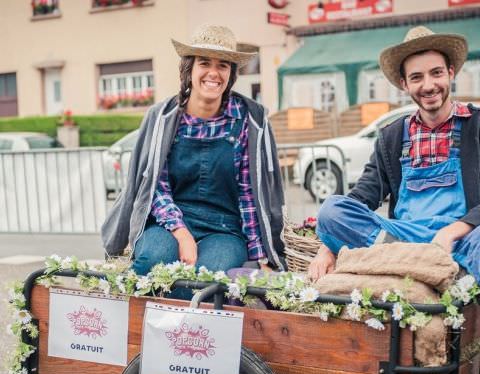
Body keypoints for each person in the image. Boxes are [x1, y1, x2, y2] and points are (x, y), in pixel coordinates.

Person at [101, 25, 285, 282]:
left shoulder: (249, 120)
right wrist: (181, 232)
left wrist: (262, 257)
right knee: (152, 262)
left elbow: (250, 195)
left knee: (206, 279)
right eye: (204, 63)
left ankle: (182, 324)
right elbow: (155, 186)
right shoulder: (163, 117)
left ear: (231, 73)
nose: (213, 73)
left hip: (224, 229)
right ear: (189, 69)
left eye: (223, 65)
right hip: (168, 220)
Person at [309, 26, 480, 282]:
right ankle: (442, 271)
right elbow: (361, 197)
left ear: (450, 73)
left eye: (436, 73)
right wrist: (326, 247)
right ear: (404, 84)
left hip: (462, 238)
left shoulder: (475, 126)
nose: (429, 85)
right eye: (416, 77)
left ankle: (419, 266)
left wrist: (452, 231)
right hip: (401, 239)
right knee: (331, 211)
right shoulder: (392, 136)